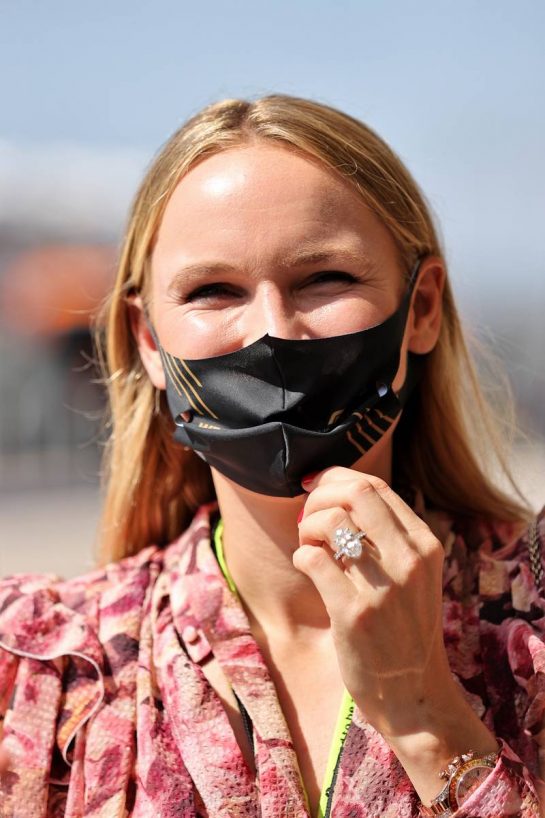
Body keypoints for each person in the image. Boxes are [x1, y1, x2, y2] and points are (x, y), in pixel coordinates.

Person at [0, 94, 544, 818]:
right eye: (213, 290)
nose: (273, 333)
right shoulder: (41, 667)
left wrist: (426, 719)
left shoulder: (531, 624)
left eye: (325, 279)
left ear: (420, 308)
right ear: (148, 340)